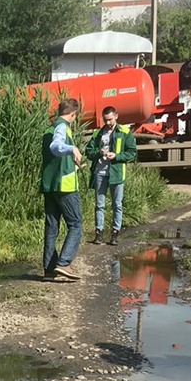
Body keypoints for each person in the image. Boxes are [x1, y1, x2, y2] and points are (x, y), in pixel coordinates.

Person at [40, 96, 83, 281]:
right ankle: (64, 264)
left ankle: (49, 269)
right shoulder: (61, 127)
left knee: (52, 227)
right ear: (73, 114)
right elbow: (55, 147)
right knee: (76, 224)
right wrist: (71, 149)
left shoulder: (49, 128)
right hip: (64, 186)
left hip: (50, 185)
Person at [86, 103, 137, 246]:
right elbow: (88, 152)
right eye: (105, 120)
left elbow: (132, 152)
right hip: (100, 172)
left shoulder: (125, 132)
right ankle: (99, 233)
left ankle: (115, 232)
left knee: (117, 204)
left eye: (110, 119)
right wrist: (98, 153)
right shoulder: (98, 133)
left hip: (117, 173)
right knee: (99, 204)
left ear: (116, 116)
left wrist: (117, 156)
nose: (108, 123)